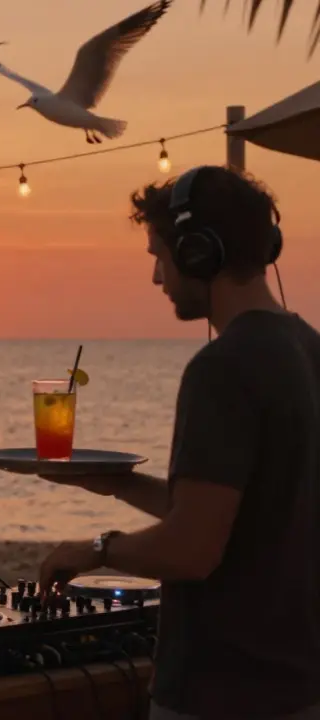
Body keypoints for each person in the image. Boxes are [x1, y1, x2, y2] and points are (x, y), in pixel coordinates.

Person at [38, 166, 320, 720]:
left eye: (158, 255)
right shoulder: (308, 350)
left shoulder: (222, 368)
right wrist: (120, 484)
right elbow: (239, 515)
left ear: (198, 253)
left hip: (222, 690)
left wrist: (93, 550)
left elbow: (192, 550)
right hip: (298, 683)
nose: (156, 277)